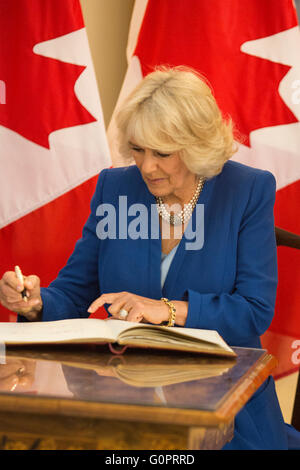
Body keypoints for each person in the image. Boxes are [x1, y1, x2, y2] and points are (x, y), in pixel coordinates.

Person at [0, 66, 292, 449]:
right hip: (119, 403)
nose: (146, 166)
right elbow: (75, 292)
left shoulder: (246, 190)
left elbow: (254, 310)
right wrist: (36, 303)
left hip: (224, 411)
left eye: (162, 153)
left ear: (196, 145)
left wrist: (166, 310)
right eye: (137, 149)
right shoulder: (115, 187)